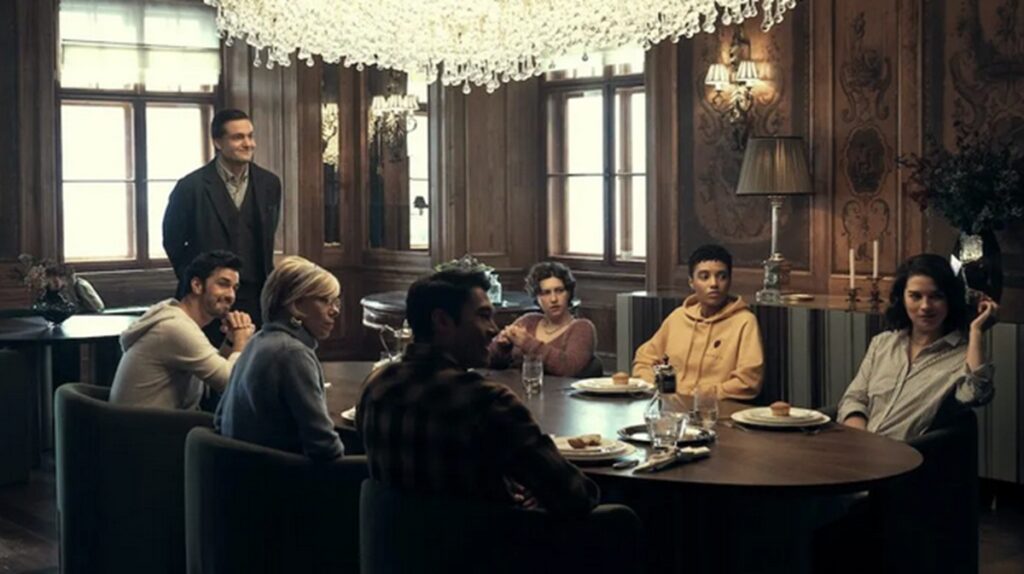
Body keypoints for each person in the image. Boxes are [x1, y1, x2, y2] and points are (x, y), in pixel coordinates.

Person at [358, 269, 600, 516]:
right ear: (442, 321)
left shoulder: (375, 386)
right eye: (483, 316)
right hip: (479, 539)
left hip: (391, 537)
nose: (494, 329)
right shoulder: (486, 401)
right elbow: (574, 495)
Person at [838, 254, 998, 441]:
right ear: (902, 298)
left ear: (950, 299)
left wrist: (976, 331)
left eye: (936, 296)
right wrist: (862, 441)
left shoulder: (963, 356)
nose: (925, 306)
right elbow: (854, 399)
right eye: (915, 296)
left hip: (907, 455)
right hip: (857, 446)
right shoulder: (882, 344)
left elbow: (976, 394)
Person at [215, 256, 344, 461]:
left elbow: (219, 419)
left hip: (240, 472)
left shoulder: (256, 341)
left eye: (336, 302)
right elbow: (325, 448)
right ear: (297, 305)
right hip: (280, 477)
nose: (335, 311)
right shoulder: (292, 353)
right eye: (324, 300)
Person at [162, 108, 282, 329]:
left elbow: (267, 236)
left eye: (250, 136)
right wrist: (199, 283)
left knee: (251, 352)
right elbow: (172, 242)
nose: (248, 144)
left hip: (255, 299)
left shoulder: (270, 184)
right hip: (205, 302)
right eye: (238, 137)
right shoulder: (190, 187)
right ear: (218, 142)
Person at [110, 251, 255, 410]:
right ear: (197, 285)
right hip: (147, 425)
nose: (231, 295)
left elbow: (213, 374)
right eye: (223, 284)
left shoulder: (179, 320)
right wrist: (241, 340)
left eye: (235, 288)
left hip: (157, 420)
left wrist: (231, 341)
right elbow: (230, 383)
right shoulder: (176, 329)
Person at [631, 244, 764, 399]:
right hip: (671, 405)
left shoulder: (745, 321)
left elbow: (748, 381)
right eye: (704, 277)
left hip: (718, 408)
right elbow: (644, 360)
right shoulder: (678, 317)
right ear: (691, 282)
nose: (714, 284)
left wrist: (698, 395)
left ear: (730, 280)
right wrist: (656, 386)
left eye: (722, 276)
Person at [488, 262, 598, 377]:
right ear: (537, 298)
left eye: (559, 291)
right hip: (515, 386)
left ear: (569, 293)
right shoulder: (528, 321)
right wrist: (501, 347)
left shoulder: (582, 328)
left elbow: (569, 368)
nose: (553, 299)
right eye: (546, 293)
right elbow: (489, 360)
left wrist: (527, 342)